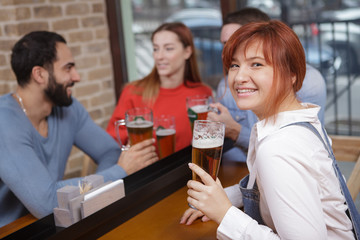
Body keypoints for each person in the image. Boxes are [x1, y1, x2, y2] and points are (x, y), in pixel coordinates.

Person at [180, 20, 355, 239]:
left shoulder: (279, 147)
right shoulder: (299, 120)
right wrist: (224, 198)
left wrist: (225, 214)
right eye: (235, 65)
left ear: (292, 74)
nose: (239, 77)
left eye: (256, 64)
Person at [0, 31, 158, 227]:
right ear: (39, 74)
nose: (77, 76)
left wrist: (99, 193)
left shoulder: (68, 108)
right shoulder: (4, 121)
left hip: (53, 225)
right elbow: (46, 202)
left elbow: (109, 151)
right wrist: (119, 172)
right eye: (68, 68)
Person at [208, 8, 327, 162]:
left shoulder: (303, 81)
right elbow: (224, 150)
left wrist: (236, 132)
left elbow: (293, 152)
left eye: (233, 42)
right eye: (224, 44)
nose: (226, 52)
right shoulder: (227, 85)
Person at [106, 22, 212, 152]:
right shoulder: (133, 92)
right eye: (156, 49)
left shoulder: (202, 93)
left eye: (168, 49)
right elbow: (111, 145)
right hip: (150, 171)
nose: (159, 56)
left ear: (187, 52)